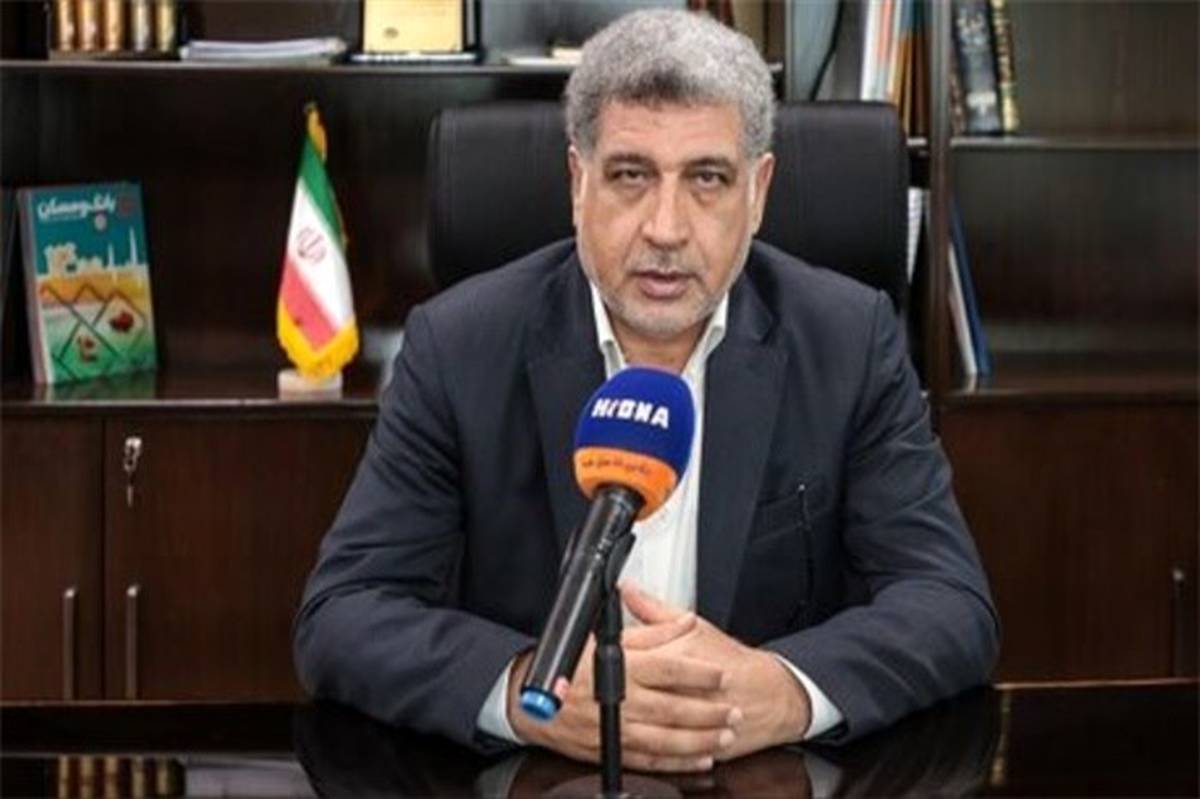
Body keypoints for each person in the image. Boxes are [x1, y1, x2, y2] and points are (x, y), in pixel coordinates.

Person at [294, 8, 999, 774]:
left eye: (707, 179)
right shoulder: (459, 346)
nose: (666, 228)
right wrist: (528, 690)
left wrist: (782, 690)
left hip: (757, 773)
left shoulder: (848, 341)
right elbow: (343, 614)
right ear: (578, 183)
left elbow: (950, 603)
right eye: (631, 175)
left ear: (758, 193)